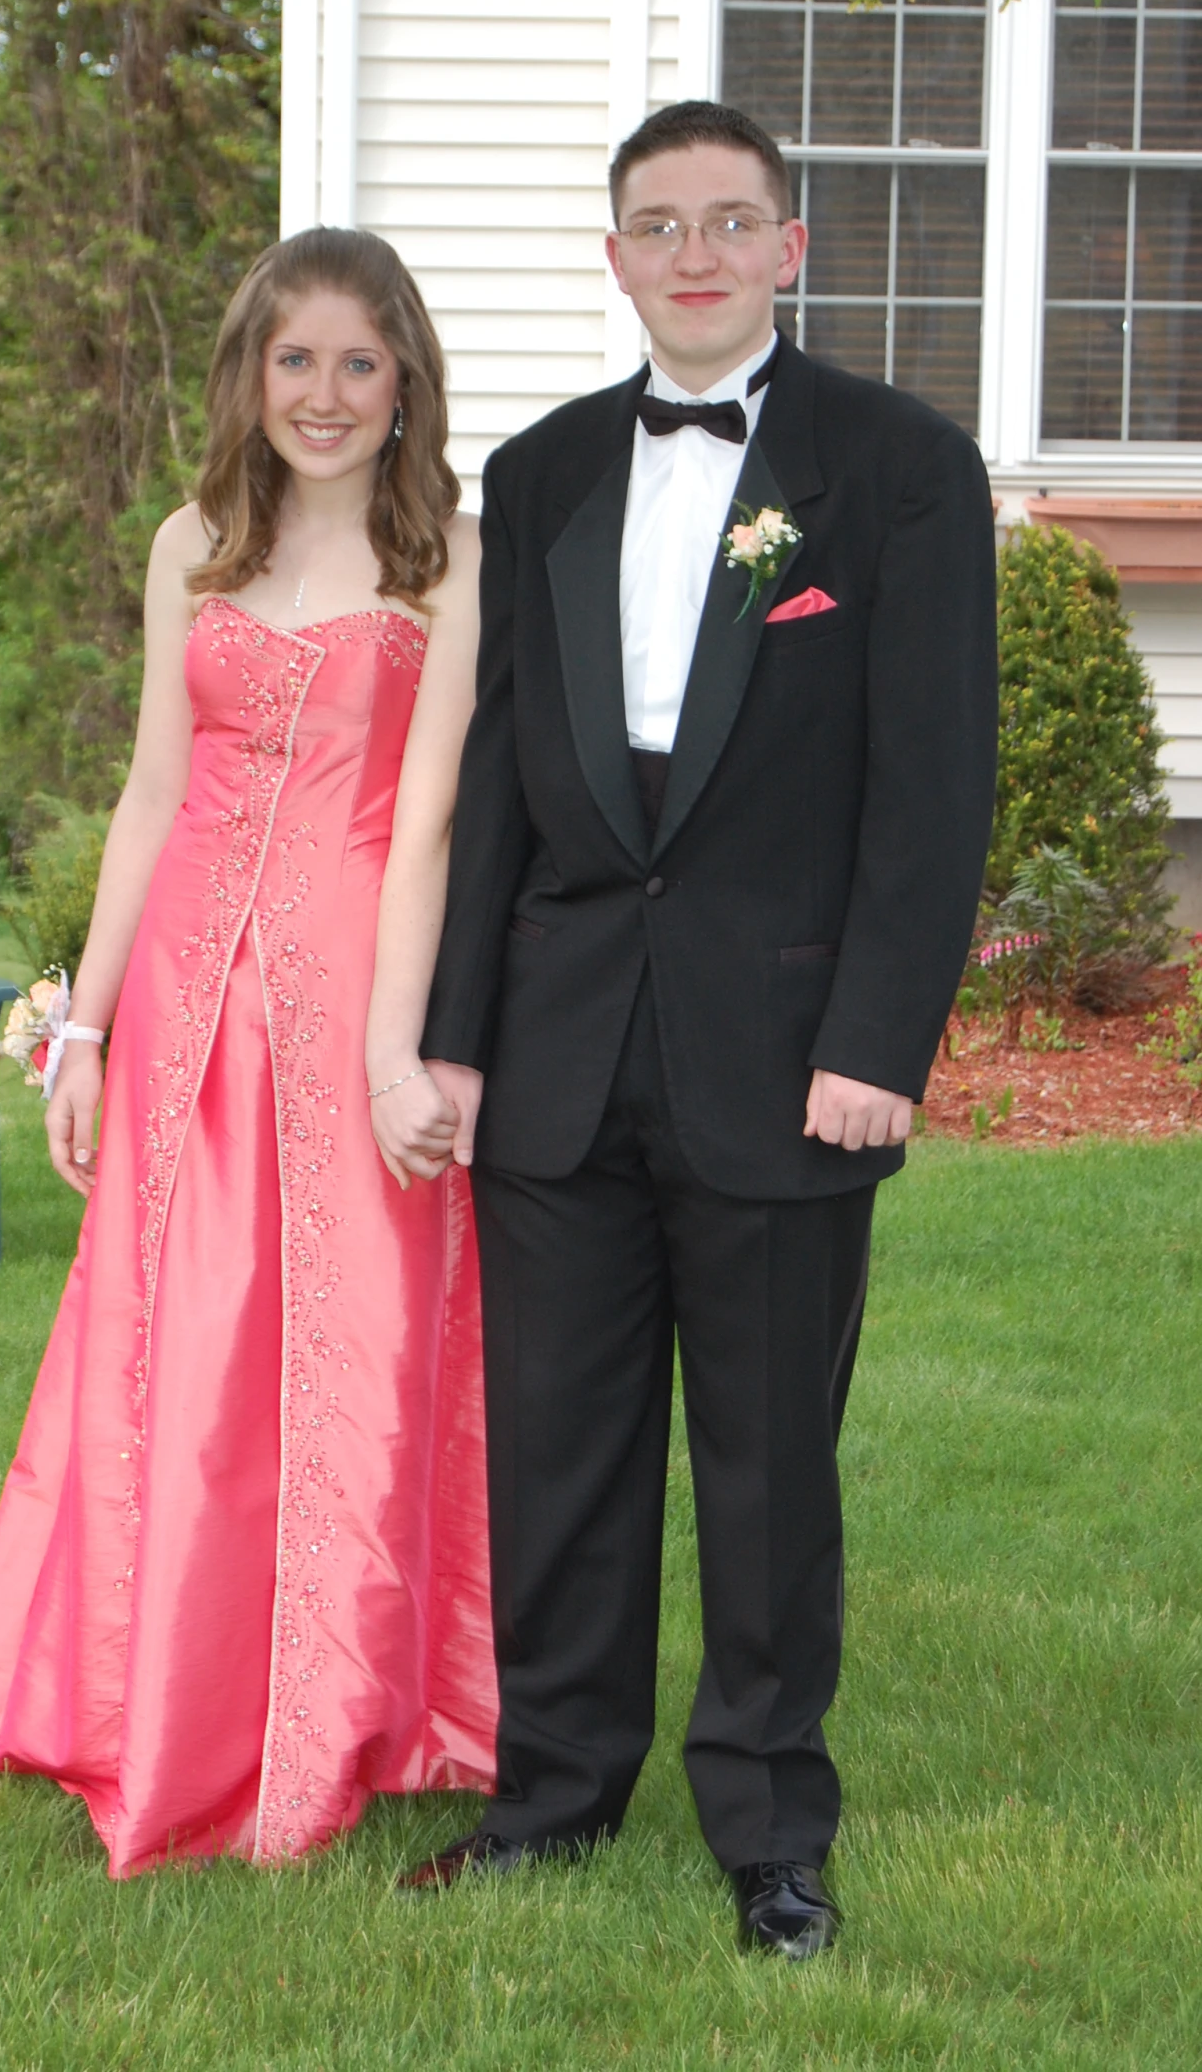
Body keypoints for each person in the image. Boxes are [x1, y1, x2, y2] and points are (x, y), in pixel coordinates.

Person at [404, 101, 998, 1956]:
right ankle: (555, 1795)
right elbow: (501, 777)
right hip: (561, 1054)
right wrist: (454, 1034)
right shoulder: (547, 467)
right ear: (614, 258)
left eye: (731, 221)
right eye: (659, 225)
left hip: (789, 1053)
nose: (696, 254)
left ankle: (768, 1829)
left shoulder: (897, 467)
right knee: (562, 1456)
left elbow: (932, 788)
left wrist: (878, 1041)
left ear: (791, 246)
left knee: (764, 1466)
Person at [0, 228, 497, 1873]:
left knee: (352, 1352)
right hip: (186, 1003)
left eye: (358, 362)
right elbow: (152, 793)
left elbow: (436, 818)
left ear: (405, 385)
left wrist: (403, 1047)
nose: (322, 394)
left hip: (354, 986)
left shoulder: (449, 560)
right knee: (179, 1354)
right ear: (251, 373)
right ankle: (152, 1705)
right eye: (292, 358)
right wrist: (86, 1024)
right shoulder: (193, 542)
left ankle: (339, 1722)